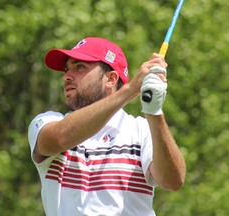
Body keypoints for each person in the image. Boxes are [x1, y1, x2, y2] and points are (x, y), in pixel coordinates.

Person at [28, 37, 186, 216]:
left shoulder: (141, 129)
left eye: (80, 67)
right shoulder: (47, 122)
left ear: (111, 79)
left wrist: (154, 111)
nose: (66, 76)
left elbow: (172, 181)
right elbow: (60, 138)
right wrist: (132, 89)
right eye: (66, 70)